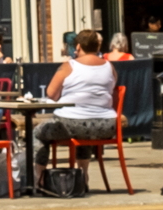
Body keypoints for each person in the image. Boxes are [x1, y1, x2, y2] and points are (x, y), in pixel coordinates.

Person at [41, 29, 122, 161]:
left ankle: (38, 176)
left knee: (39, 133)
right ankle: (83, 175)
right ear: (98, 46)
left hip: (73, 124)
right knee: (84, 132)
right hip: (107, 126)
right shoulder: (110, 66)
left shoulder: (68, 66)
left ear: (78, 46)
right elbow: (112, 89)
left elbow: (51, 94)